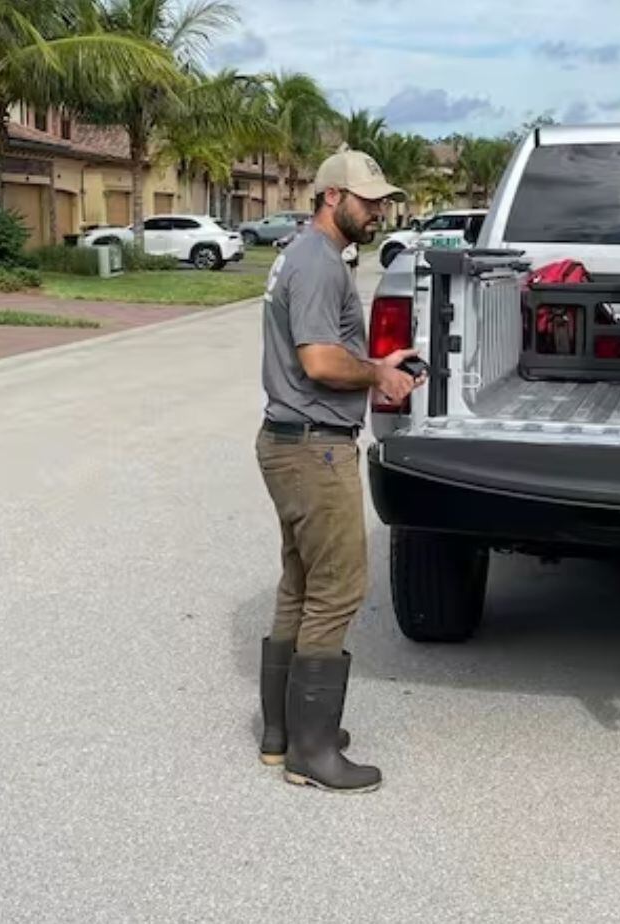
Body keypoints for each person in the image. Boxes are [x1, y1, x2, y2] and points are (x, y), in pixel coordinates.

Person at [254, 146, 422, 793]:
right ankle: (313, 755)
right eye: (368, 200)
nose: (379, 210)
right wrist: (379, 373)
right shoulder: (320, 264)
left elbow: (326, 352)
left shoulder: (303, 255)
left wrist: (379, 358)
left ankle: (283, 734)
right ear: (332, 198)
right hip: (315, 448)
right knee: (338, 589)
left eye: (382, 201)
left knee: (300, 585)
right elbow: (321, 362)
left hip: (289, 441)